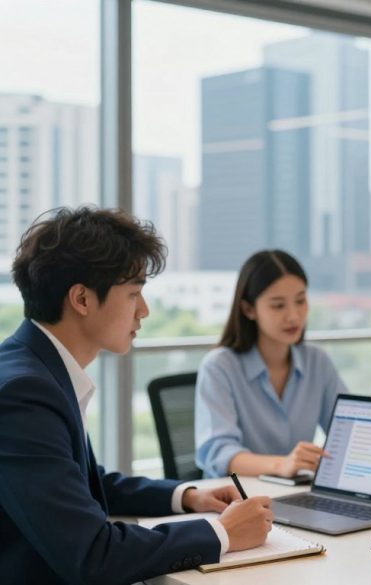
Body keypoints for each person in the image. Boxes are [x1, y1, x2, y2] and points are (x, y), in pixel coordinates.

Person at [0, 207, 273, 585]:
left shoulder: (36, 370)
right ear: (81, 299)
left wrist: (187, 496)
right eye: (133, 294)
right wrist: (222, 534)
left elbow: (89, 484)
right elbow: (93, 555)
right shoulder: (23, 394)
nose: (143, 311)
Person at [195, 250, 348, 479]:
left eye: (300, 300)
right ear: (249, 309)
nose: (294, 316)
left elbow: (345, 434)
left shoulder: (317, 362)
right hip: (238, 500)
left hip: (298, 495)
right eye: (278, 306)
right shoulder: (219, 366)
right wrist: (282, 465)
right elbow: (219, 453)